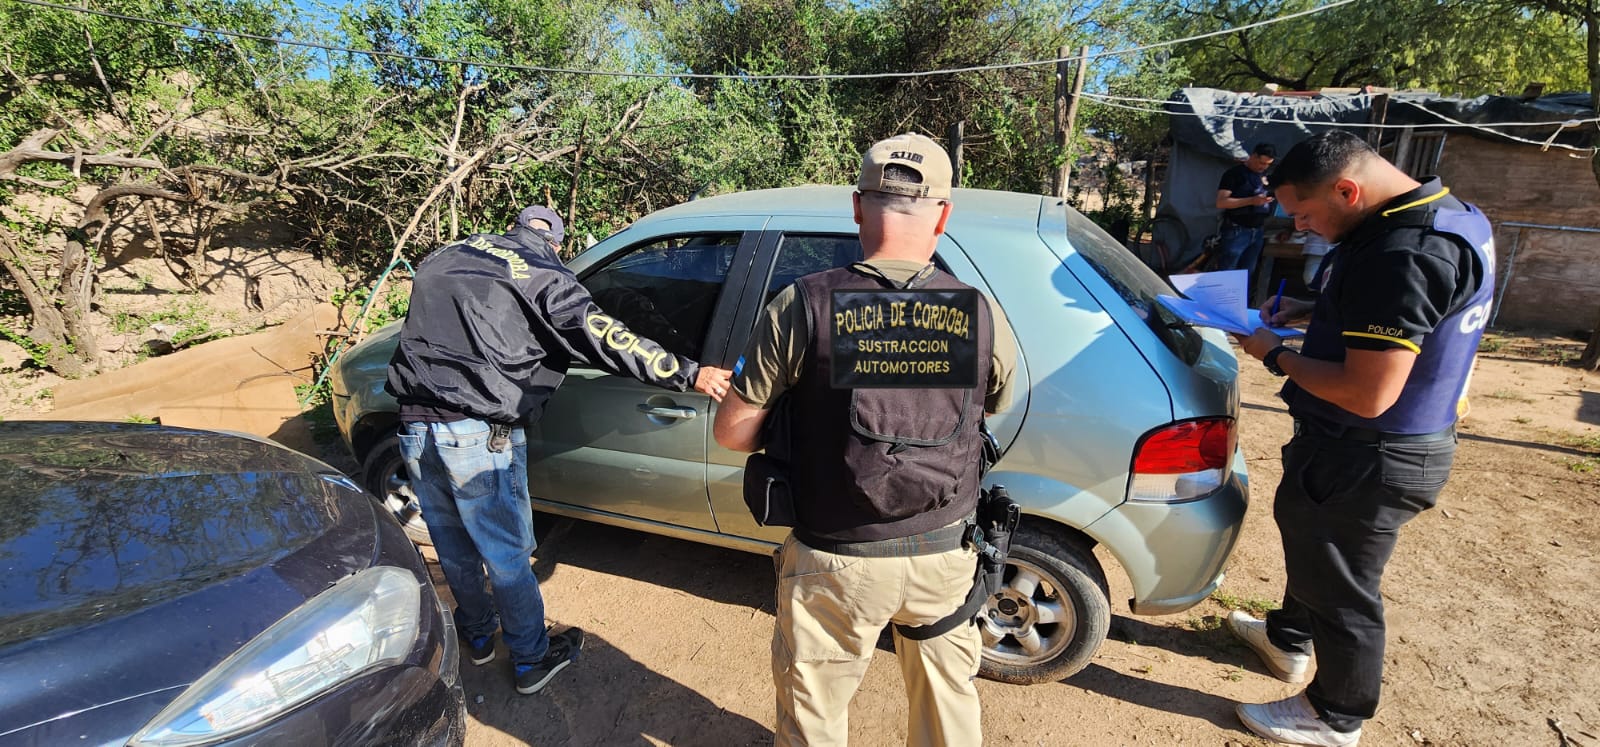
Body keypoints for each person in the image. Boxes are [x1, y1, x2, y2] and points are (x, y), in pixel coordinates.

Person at [712, 133, 1017, 746]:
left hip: (837, 560)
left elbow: (733, 435)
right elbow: (993, 403)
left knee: (816, 713)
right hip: (945, 551)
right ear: (944, 214)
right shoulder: (977, 309)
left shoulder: (805, 302)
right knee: (947, 709)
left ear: (857, 207)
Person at [386, 205, 732, 695]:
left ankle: (478, 636)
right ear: (556, 245)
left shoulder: (447, 254)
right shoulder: (542, 275)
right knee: (506, 556)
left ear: (515, 228)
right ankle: (530, 658)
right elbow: (605, 335)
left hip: (415, 424)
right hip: (478, 436)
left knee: (452, 545)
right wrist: (687, 373)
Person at [1229, 131, 1495, 746]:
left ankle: (1335, 714)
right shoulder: (1450, 215)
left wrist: (1276, 355)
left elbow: (1368, 391)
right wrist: (1308, 308)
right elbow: (1411, 314)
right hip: (1376, 444)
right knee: (1308, 532)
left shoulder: (1404, 253)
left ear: (1348, 190)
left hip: (1371, 450)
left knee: (1341, 578)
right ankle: (1287, 638)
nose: (1303, 230)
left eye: (1306, 214)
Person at [1214, 142, 1278, 283]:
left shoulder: (1265, 176)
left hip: (1257, 230)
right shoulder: (1234, 174)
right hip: (1237, 229)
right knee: (1227, 272)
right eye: (1261, 163)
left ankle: (1241, 303)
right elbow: (1221, 202)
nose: (1263, 167)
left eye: (1268, 164)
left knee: (1247, 274)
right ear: (1253, 156)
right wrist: (1251, 201)